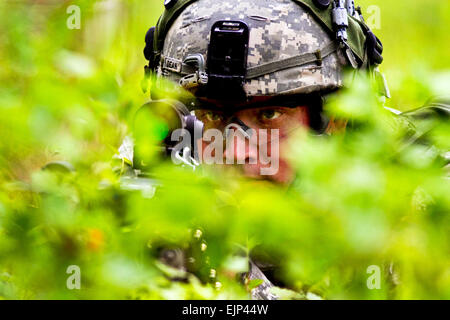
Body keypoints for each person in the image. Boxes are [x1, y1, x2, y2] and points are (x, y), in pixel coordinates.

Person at [115, 0, 447, 299]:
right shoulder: (163, 164)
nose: (234, 152)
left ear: (335, 119)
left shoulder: (417, 197)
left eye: (268, 114)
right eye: (213, 114)